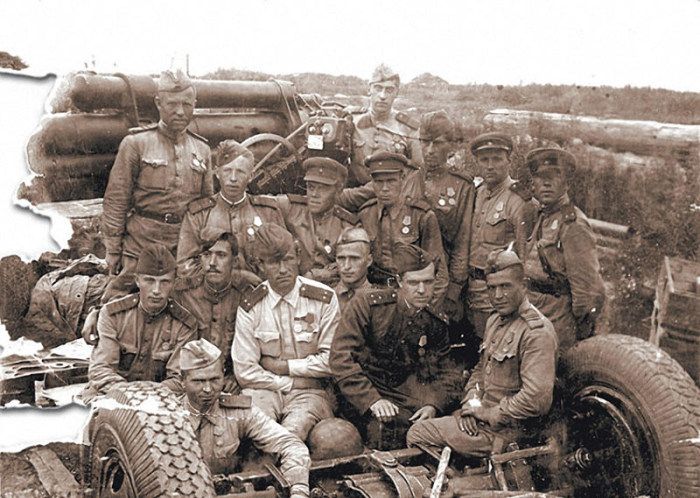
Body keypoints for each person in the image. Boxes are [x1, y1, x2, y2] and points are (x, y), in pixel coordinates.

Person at [406, 249, 558, 457]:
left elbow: (536, 400)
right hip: (484, 421)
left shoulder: (536, 332)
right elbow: (480, 370)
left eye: (505, 286)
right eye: (491, 288)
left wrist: (488, 414)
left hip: (508, 432)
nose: (497, 296)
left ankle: (463, 474)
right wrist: (472, 405)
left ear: (523, 286)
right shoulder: (495, 320)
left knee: (418, 433)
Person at [330, 243, 455, 449]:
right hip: (363, 395)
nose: (422, 290)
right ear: (399, 281)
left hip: (408, 398)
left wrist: (434, 404)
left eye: (428, 282)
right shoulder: (368, 305)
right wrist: (372, 400)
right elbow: (341, 358)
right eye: (413, 283)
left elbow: (447, 371)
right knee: (383, 432)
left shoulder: (435, 321)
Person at [101, 70, 212, 295]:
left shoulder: (202, 149)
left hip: (183, 247)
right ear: (158, 103)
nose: (180, 111)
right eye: (172, 104)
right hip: (141, 244)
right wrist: (112, 250)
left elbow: (206, 205)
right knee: (120, 301)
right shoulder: (135, 144)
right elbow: (116, 200)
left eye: (186, 104)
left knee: (185, 302)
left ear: (194, 105)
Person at [232, 223, 340, 441]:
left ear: (298, 257)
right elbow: (245, 371)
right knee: (257, 429)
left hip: (311, 393)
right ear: (260, 265)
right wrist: (292, 382)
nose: (282, 269)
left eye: (288, 259)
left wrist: (284, 367)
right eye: (274, 262)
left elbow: (332, 361)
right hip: (264, 391)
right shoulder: (251, 306)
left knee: (293, 431)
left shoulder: (323, 299)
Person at [179, 339, 310, 498]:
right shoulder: (166, 417)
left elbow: (290, 444)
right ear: (182, 381)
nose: (207, 389)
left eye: (214, 380)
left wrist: (299, 490)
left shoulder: (237, 411)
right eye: (198, 381)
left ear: (223, 376)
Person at [83, 244, 197, 401]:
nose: (156, 290)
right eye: (149, 281)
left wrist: (144, 396)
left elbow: (179, 379)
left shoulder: (184, 325)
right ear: (137, 280)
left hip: (160, 400)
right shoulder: (113, 314)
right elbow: (101, 370)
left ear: (174, 283)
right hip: (112, 395)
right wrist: (131, 395)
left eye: (164, 282)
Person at [523, 148, 606, 350]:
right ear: (533, 183)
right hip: (535, 310)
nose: (546, 183)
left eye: (554, 177)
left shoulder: (573, 225)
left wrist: (573, 327)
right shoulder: (543, 216)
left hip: (557, 319)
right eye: (541, 177)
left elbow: (586, 291)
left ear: (567, 184)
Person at [177, 139, 286, 280]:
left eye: (240, 172)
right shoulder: (199, 215)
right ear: (217, 172)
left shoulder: (268, 212)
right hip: (213, 291)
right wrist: (234, 277)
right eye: (227, 171)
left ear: (251, 176)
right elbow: (185, 266)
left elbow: (284, 258)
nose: (233, 178)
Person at [466, 132, 536, 338]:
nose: (490, 166)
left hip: (496, 296)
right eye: (484, 159)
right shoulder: (476, 193)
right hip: (469, 290)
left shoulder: (519, 200)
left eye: (497, 159)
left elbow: (524, 257)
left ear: (509, 161)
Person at [358, 151, 448, 303]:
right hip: (374, 295)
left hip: (410, 296)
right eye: (379, 182)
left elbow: (439, 272)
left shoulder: (421, 216)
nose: (385, 188)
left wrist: (425, 309)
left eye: (391, 181)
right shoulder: (366, 214)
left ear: (403, 178)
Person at [419, 110, 475, 323]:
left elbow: (462, 240)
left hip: (443, 281)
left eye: (438, 143)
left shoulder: (462, 186)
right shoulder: (408, 177)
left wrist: (454, 290)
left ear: (450, 145)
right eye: (425, 142)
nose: (430, 150)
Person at [175, 228, 248, 391]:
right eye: (207, 255)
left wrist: (235, 377)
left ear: (235, 261)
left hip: (230, 383)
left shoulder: (245, 296)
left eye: (221, 255)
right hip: (189, 383)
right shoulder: (182, 294)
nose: (212, 263)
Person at [269, 157, 360, 286]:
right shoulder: (290, 207)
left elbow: (355, 261)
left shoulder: (348, 225)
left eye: (323, 189)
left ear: (338, 191)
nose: (314, 194)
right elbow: (257, 202)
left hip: (329, 288)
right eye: (311, 187)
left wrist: (317, 275)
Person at [347, 64, 423, 201]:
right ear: (369, 89)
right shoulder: (352, 121)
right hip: (353, 197)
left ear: (396, 93)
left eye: (389, 90)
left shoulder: (408, 128)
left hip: (391, 199)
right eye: (378, 88)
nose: (382, 96)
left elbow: (417, 171)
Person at [333, 227, 375, 311]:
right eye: (341, 258)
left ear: (369, 261)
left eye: (354, 258)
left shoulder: (379, 300)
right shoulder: (326, 298)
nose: (346, 266)